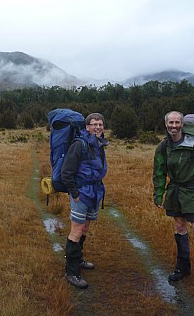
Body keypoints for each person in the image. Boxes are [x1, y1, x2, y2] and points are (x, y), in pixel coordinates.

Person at [153, 111, 194, 295]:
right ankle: (183, 268)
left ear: (182, 124)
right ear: (166, 125)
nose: (174, 126)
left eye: (177, 122)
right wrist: (159, 195)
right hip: (175, 193)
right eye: (170, 123)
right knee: (180, 227)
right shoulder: (163, 146)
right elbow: (158, 172)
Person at [61, 112, 109, 289]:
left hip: (94, 192)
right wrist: (74, 193)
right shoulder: (79, 145)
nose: (98, 127)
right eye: (94, 124)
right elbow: (66, 172)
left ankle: (78, 259)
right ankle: (71, 272)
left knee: (85, 228)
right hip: (81, 193)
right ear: (87, 127)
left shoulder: (99, 144)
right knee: (76, 230)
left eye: (100, 124)